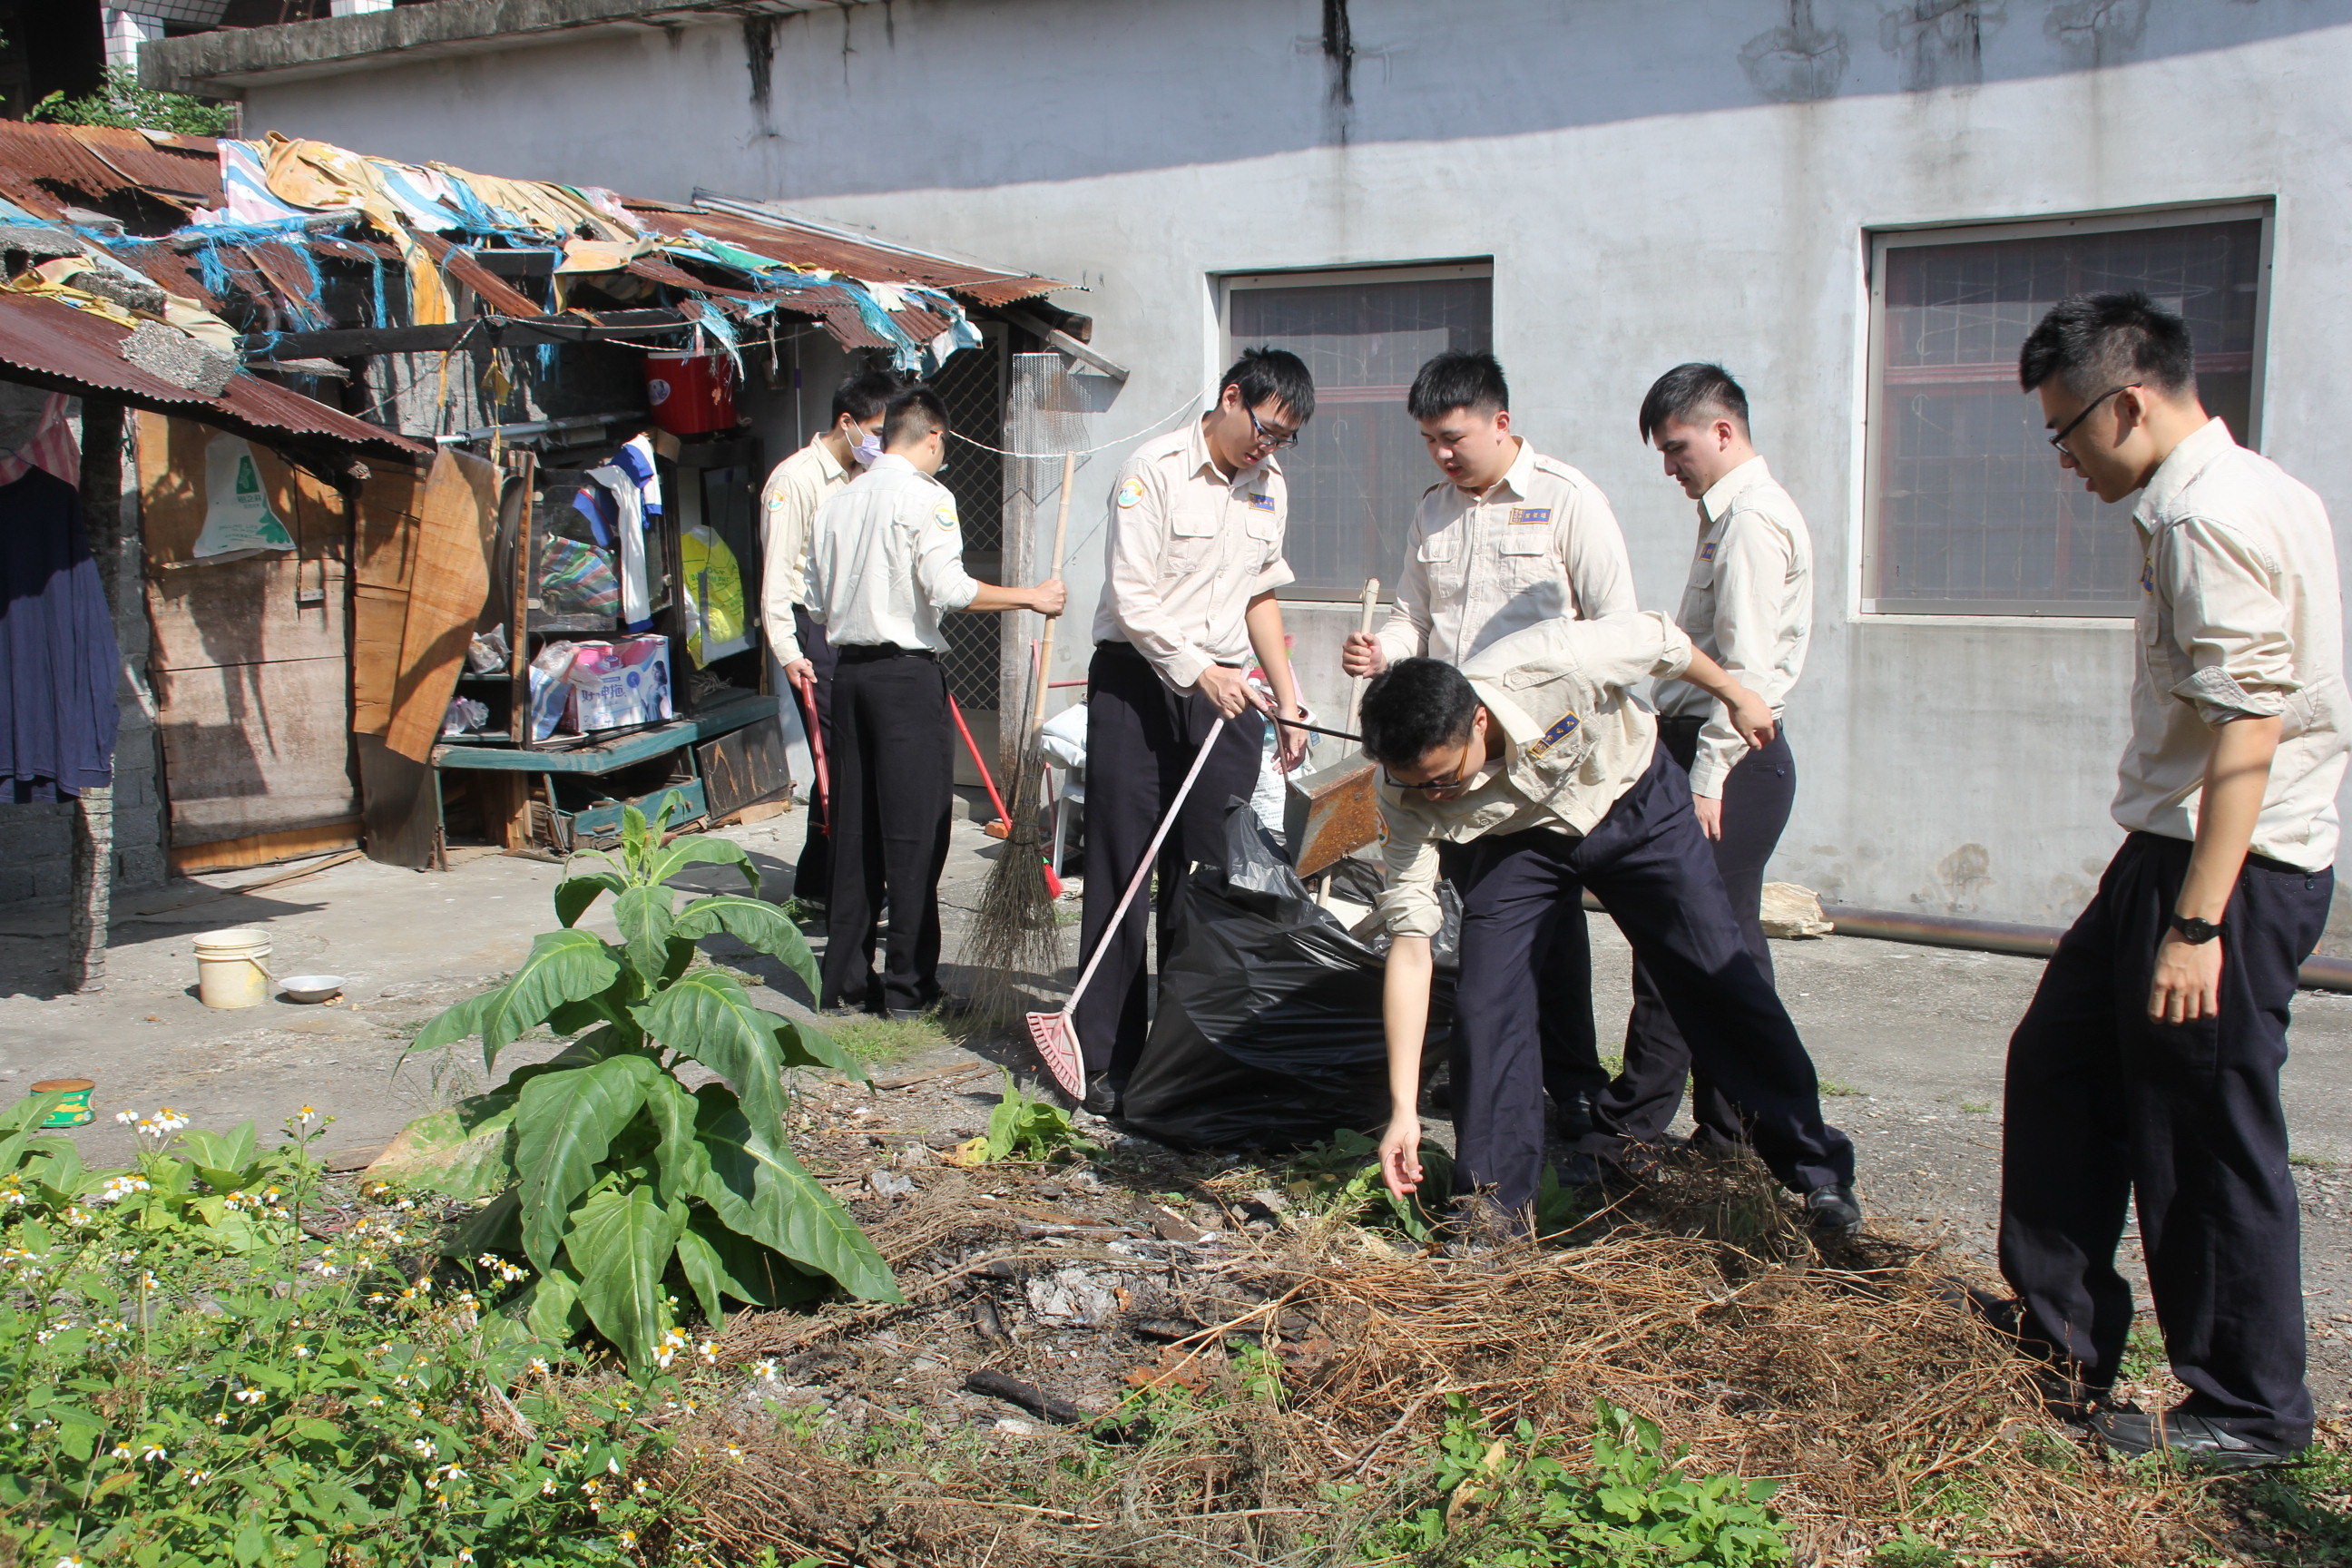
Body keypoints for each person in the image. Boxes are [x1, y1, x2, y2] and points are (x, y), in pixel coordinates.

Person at [1992, 292, 2347, 1467]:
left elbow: (2249, 726)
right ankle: (2063, 1336)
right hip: (2179, 854)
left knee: (2202, 1131)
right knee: (2061, 1065)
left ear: (2128, 402)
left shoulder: (2204, 515)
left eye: (2066, 433)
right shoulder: (2256, 488)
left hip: (2222, 872)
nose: (2065, 461)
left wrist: (2198, 921)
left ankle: (2249, 1407)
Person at [1358, 621, 1859, 1239]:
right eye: (1416, 785)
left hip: (1635, 805)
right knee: (1487, 1004)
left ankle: (1819, 1174)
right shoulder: (1402, 793)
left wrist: (1735, 695)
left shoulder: (1553, 664)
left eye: (1444, 780)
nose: (1432, 796)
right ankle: (1490, 1212)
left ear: (1479, 723)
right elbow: (1410, 948)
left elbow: (1665, 643)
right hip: (1522, 845)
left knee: (1719, 974)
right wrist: (1404, 1108)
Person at [1340, 350, 1640, 1140]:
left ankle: (1572, 1093)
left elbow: (1619, 629)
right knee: (1481, 930)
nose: (1442, 453)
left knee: (1554, 937)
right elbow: (1414, 616)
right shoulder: (1433, 511)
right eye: (1430, 441)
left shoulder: (1568, 501)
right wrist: (1386, 656)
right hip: (1456, 765)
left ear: (1500, 422)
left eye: (1454, 436)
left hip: (1541, 761)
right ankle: (1493, 1088)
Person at [1078, 348, 1314, 1113]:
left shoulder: (1269, 487)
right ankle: (1104, 1057)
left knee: (1211, 873)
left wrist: (1287, 693)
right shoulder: (1154, 469)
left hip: (1226, 694)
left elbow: (1261, 597)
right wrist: (1197, 670)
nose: (1267, 447)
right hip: (1138, 683)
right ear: (1232, 396)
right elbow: (1130, 594)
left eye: (1284, 438)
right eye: (1266, 428)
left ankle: (1183, 1058)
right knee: (1125, 867)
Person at [1587, 364, 1813, 1156]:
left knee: (1678, 941)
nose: (1670, 466)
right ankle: (1739, 1129)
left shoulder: (1750, 521)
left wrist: (1709, 780)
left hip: (1731, 756)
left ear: (1724, 431)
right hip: (1722, 752)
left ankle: (1629, 1127)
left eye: (1677, 447)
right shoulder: (1729, 514)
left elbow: (1742, 677)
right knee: (1728, 951)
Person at [805, 384, 1066, 1017]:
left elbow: (814, 603)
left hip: (850, 674)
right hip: (902, 679)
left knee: (857, 832)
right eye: (942, 444)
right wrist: (1029, 596)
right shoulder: (928, 497)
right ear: (931, 436)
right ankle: (908, 989)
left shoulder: (836, 504)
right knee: (915, 833)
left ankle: (843, 980)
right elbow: (948, 588)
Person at [766, 367, 905, 910]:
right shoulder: (795, 481)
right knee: (838, 760)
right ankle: (845, 888)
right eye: (874, 431)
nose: (879, 445)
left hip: (855, 629)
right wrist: (788, 652)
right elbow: (778, 574)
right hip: (813, 632)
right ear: (847, 423)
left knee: (852, 754)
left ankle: (819, 885)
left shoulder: (865, 478)